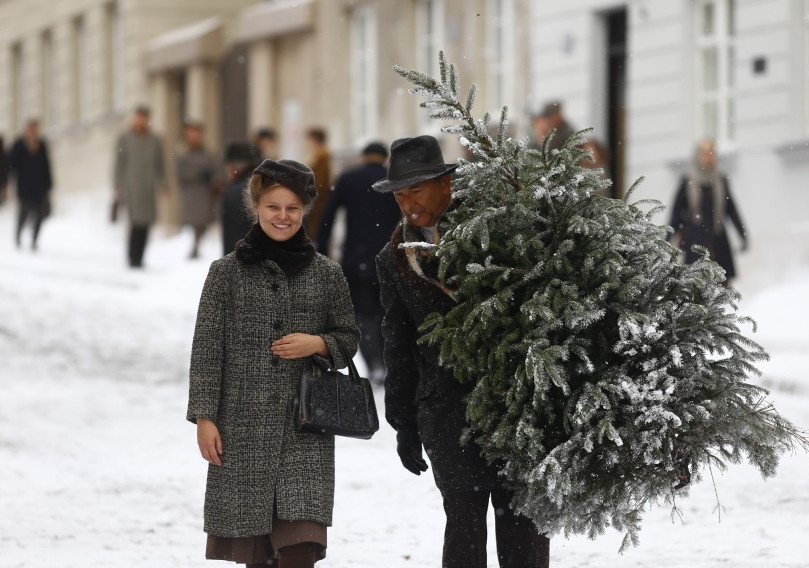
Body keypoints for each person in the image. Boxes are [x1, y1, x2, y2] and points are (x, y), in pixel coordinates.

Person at [374, 136, 550, 568]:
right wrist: (403, 422)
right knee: (464, 532)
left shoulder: (499, 229)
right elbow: (398, 343)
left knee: (523, 532)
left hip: (515, 406)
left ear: (446, 184)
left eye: (415, 190)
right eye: (399, 194)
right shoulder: (394, 258)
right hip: (447, 411)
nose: (407, 203)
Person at [188, 158, 360, 568]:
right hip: (241, 427)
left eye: (293, 209)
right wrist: (204, 418)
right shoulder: (224, 274)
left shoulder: (327, 274)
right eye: (273, 208)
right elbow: (207, 350)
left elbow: (349, 338)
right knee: (257, 552)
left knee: (300, 545)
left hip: (306, 428)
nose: (283, 217)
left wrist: (317, 343)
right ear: (256, 208)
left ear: (304, 211)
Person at [316, 142, 401, 383]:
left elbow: (328, 215)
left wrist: (321, 249)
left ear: (363, 157)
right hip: (390, 258)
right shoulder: (393, 180)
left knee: (362, 314)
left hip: (357, 258)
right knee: (388, 312)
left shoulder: (348, 178)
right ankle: (387, 360)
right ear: (385, 158)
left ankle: (373, 361)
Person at [669, 138, 749, 284]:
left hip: (718, 241)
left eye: (712, 153)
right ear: (697, 155)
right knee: (695, 284)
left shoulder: (721, 180)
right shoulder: (688, 180)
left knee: (721, 286)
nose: (709, 156)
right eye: (705, 153)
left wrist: (742, 234)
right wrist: (668, 240)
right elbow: (676, 214)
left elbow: (731, 210)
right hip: (695, 242)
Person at [113, 105, 166, 268]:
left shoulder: (155, 140)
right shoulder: (125, 139)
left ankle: (140, 256)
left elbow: (160, 164)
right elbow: (119, 164)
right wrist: (118, 185)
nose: (140, 121)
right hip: (131, 187)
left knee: (146, 223)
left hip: (148, 188)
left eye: (143, 117)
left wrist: (162, 183)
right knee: (135, 222)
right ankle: (132, 256)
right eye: (138, 117)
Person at [176, 120, 220, 259]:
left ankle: (196, 246)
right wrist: (197, 174)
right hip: (191, 193)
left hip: (204, 193)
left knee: (203, 221)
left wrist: (212, 178)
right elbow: (180, 172)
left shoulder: (207, 152)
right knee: (194, 221)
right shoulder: (182, 152)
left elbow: (215, 168)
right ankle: (194, 247)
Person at [8, 119, 53, 251]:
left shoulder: (42, 145)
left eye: (35, 129)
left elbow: (47, 166)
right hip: (24, 186)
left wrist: (49, 183)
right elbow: (11, 164)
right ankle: (18, 235)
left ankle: (34, 239)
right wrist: (9, 180)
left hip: (39, 187)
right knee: (24, 213)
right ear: (26, 130)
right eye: (31, 129)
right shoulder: (18, 145)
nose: (33, 132)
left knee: (39, 214)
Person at [220, 141, 259, 256]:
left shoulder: (235, 191)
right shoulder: (261, 186)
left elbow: (233, 236)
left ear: (233, 167)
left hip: (241, 260)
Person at [303, 127, 331, 240]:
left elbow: (320, 182)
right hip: (316, 198)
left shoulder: (321, 156)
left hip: (317, 200)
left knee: (315, 229)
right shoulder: (319, 155)